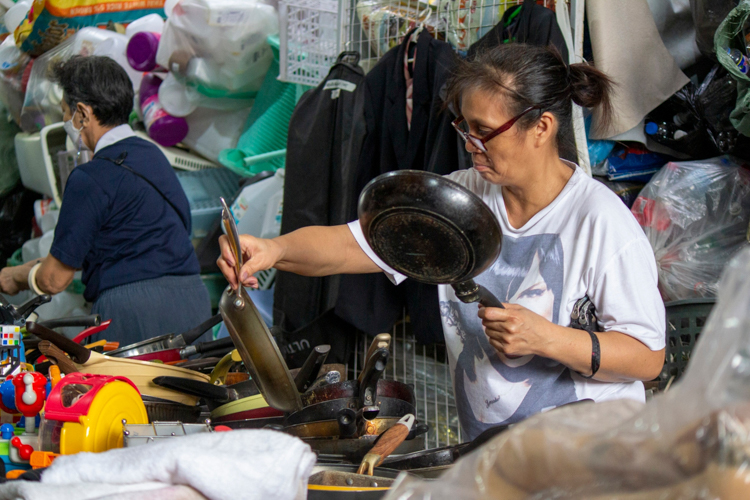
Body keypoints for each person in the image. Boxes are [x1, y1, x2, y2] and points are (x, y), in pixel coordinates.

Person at [216, 44, 666, 440]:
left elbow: (648, 358)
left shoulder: (601, 221)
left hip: (593, 463)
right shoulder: (460, 199)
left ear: (542, 127)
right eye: (464, 128)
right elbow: (352, 245)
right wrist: (274, 250)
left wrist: (548, 338)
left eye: (483, 130)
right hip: (492, 458)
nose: (471, 145)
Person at [0, 56, 211, 346]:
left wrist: (14, 278)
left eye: (65, 113)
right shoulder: (153, 156)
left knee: (128, 393)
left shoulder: (90, 177)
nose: (65, 122)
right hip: (193, 301)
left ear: (83, 114)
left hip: (133, 311)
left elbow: (53, 280)